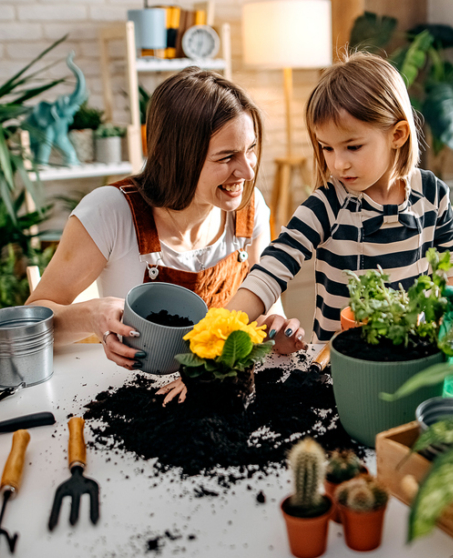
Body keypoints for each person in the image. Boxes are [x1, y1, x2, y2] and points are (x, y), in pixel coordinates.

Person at [160, 51, 453, 403]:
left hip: (412, 361)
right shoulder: (328, 204)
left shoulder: (432, 194)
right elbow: (271, 270)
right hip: (336, 368)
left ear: (397, 135)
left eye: (353, 146)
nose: (338, 163)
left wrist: (447, 332)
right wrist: (210, 345)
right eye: (326, 148)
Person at [27, 68, 285, 386]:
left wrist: (277, 327)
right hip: (135, 395)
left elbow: (266, 312)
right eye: (227, 157)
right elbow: (33, 317)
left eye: (250, 150)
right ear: (176, 157)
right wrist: (92, 315)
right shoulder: (109, 212)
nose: (246, 170)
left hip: (218, 394)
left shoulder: (250, 207)